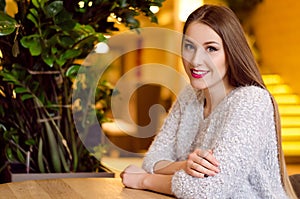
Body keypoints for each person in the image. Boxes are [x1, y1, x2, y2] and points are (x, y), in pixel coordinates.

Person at [120, 4, 298, 199]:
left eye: (211, 48)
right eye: (189, 46)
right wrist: (186, 166)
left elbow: (207, 189)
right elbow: (152, 161)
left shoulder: (251, 101)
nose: (196, 60)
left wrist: (143, 180)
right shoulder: (189, 96)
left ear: (231, 53)